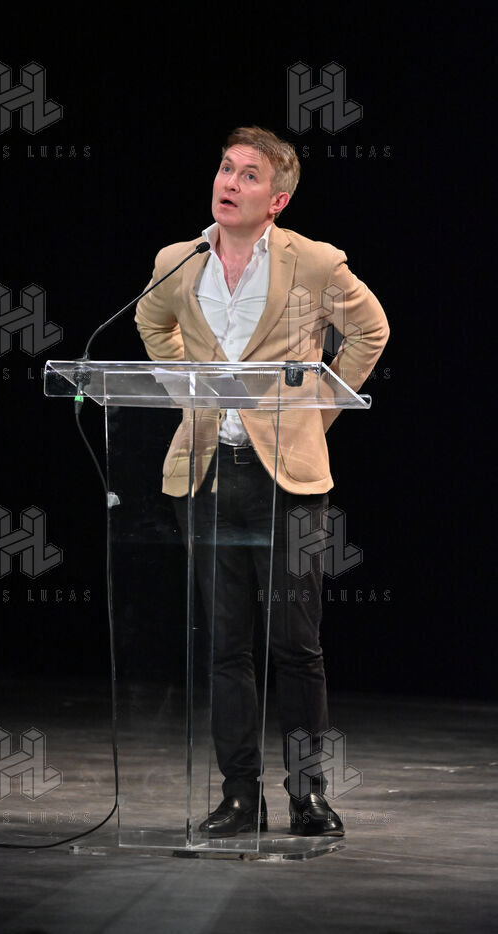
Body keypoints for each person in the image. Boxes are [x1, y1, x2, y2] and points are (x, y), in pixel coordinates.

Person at [135, 126, 389, 837]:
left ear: (276, 200)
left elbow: (369, 332)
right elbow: (152, 322)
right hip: (208, 475)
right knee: (226, 647)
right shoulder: (178, 260)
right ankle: (240, 797)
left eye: (249, 175)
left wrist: (317, 412)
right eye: (225, 168)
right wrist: (184, 388)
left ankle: (308, 796)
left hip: (289, 483)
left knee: (294, 646)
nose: (229, 182)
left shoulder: (314, 262)